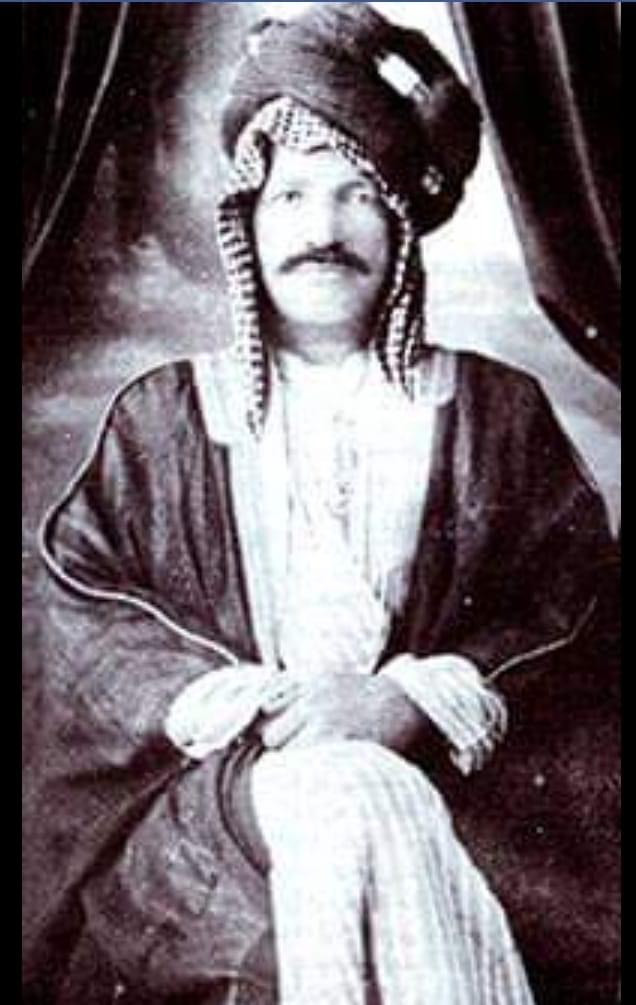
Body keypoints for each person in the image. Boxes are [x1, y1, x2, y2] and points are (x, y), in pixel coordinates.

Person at [24, 4, 614, 1004]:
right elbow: (82, 615)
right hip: (215, 807)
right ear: (249, 222)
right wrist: (264, 706)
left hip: (458, 797)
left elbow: (578, 607)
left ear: (401, 228)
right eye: (290, 194)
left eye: (359, 195)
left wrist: (411, 701)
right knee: (343, 787)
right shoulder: (162, 415)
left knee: (362, 790)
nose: (322, 230)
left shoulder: (497, 411)